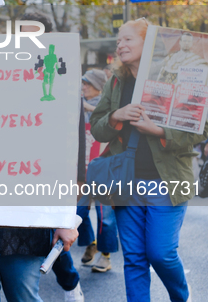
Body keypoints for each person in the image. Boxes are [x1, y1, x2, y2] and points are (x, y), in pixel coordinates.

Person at [91, 19, 206, 302]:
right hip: (125, 181)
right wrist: (116, 116)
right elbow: (96, 126)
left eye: (128, 39)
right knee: (134, 257)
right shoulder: (116, 80)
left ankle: (182, 297)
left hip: (166, 181)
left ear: (149, 43)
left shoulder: (177, 74)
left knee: (161, 253)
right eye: (119, 40)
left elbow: (197, 129)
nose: (120, 45)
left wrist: (158, 131)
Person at [0, 13, 82, 302]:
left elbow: (66, 157)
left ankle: (71, 283)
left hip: (23, 224)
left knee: (23, 296)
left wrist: (64, 219)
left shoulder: (60, 85)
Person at [77, 70, 119, 272]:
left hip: (104, 168)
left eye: (87, 84)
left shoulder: (107, 104)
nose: (83, 87)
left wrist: (82, 106)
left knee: (106, 216)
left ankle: (105, 256)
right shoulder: (78, 105)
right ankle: (91, 242)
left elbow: (110, 117)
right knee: (77, 211)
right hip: (82, 168)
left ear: (99, 86)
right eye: (82, 83)